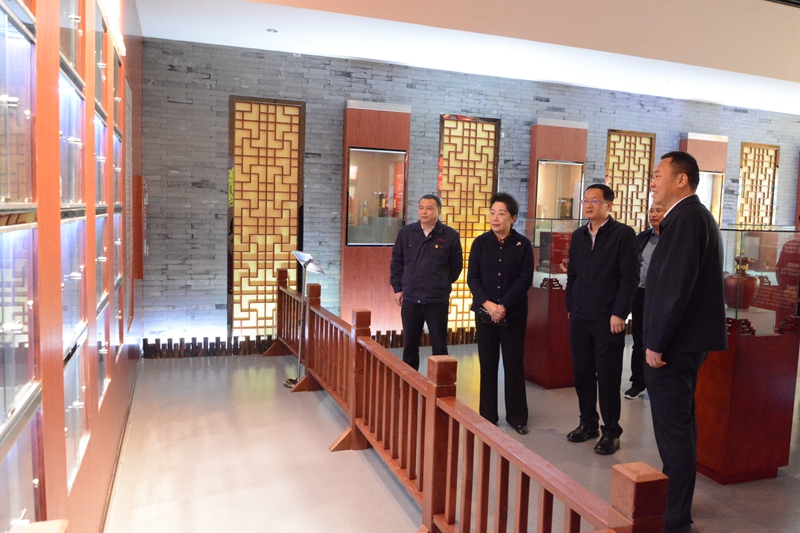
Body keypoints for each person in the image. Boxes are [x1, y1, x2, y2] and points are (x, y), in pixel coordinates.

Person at [644, 151, 727, 533]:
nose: (653, 182)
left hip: (674, 347)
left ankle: (674, 519)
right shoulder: (690, 217)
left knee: (674, 433)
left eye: (658, 174)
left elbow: (674, 287)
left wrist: (657, 342)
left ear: (681, 179)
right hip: (684, 343)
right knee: (680, 427)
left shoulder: (687, 219)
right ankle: (675, 508)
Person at [565, 184, 639, 455]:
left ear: (609, 204)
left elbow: (629, 278)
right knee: (582, 373)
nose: (588, 205)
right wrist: (570, 306)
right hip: (580, 316)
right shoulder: (579, 235)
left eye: (594, 201)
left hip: (608, 319)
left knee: (607, 376)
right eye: (585, 200)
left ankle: (611, 432)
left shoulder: (623, 235)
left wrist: (620, 313)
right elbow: (572, 275)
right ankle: (588, 423)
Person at [467, 192, 533, 435]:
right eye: (493, 212)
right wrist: (489, 305)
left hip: (513, 314)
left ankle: (517, 416)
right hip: (485, 314)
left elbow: (524, 280)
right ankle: (487, 415)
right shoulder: (480, 243)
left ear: (513, 217)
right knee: (488, 364)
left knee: (514, 364)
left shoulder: (523, 245)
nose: (495, 218)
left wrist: (503, 306)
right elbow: (472, 278)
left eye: (501, 213)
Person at [390, 194, 463, 371]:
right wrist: (398, 289)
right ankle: (409, 382)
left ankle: (440, 384)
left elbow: (456, 267)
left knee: (439, 345)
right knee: (410, 345)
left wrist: (441, 283)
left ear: (439, 211)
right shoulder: (406, 233)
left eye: (429, 208)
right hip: (411, 298)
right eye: (421, 208)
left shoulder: (450, 235)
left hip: (437, 300)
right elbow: (397, 263)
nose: (424, 212)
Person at [625, 203, 665, 400]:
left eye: (659, 211)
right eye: (651, 211)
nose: (653, 215)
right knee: (639, 339)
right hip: (641, 293)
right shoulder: (642, 238)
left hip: (663, 296)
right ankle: (638, 382)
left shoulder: (674, 239)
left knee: (659, 339)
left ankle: (659, 383)